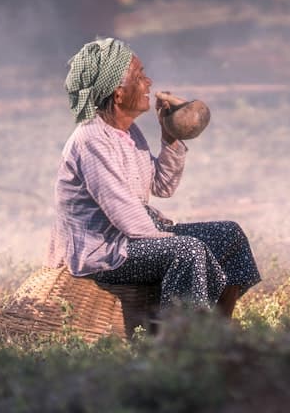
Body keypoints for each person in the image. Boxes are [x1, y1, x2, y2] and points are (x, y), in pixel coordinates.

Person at [47, 37, 260, 316]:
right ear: (118, 93)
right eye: (139, 76)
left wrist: (170, 136)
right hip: (104, 251)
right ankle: (180, 338)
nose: (148, 82)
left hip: (132, 238)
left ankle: (219, 328)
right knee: (188, 250)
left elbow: (162, 186)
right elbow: (125, 216)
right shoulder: (91, 140)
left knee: (228, 234)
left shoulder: (129, 133)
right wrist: (169, 237)